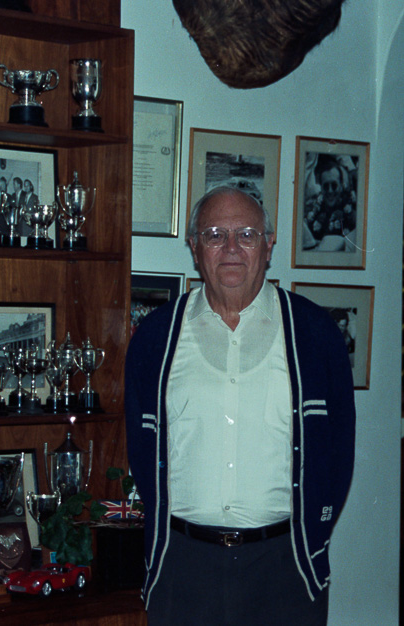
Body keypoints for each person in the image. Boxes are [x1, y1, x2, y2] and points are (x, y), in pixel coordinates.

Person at [125, 186, 356, 625]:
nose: (231, 248)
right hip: (182, 569)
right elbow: (141, 449)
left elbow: (337, 451)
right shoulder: (155, 339)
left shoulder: (315, 334)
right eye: (214, 234)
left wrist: (313, 540)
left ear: (268, 246)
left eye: (246, 234)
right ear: (194, 247)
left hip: (285, 569)